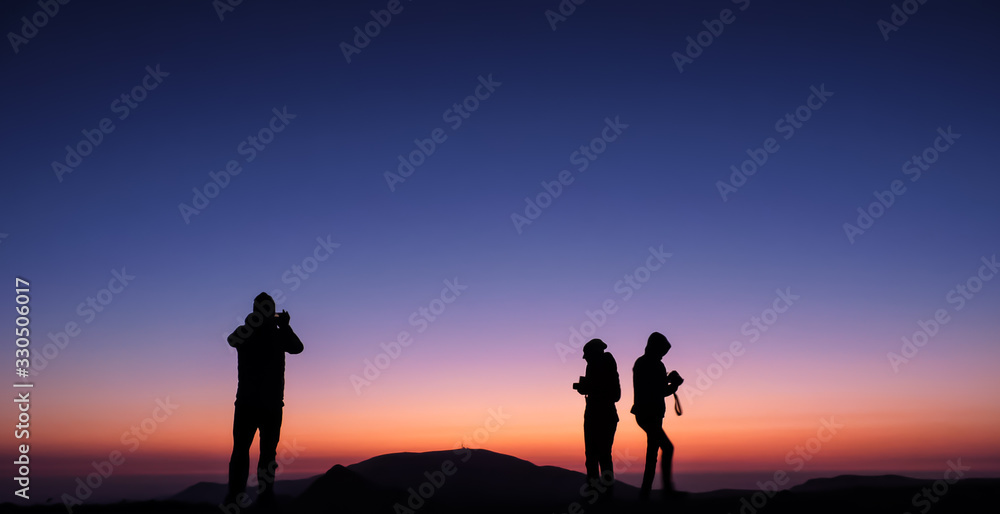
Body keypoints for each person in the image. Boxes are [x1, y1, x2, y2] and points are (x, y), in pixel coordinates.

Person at [224, 292, 304, 508]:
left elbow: (232, 340)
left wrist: (256, 324)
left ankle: (238, 497)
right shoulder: (275, 335)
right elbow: (297, 347)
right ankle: (264, 497)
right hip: (269, 404)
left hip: (249, 403)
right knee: (264, 453)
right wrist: (284, 326)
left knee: (244, 451)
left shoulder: (253, 332)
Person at [631, 332, 684, 501]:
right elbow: (659, 391)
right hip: (650, 414)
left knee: (653, 452)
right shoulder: (653, 364)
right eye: (662, 352)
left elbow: (654, 387)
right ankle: (664, 491)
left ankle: (646, 493)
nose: (663, 355)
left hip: (645, 413)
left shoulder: (642, 363)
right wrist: (674, 385)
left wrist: (668, 381)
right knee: (666, 448)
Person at [574, 338, 621, 497]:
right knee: (596, 457)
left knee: (600, 456)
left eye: (587, 355)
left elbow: (613, 394)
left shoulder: (604, 363)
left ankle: (603, 495)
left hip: (601, 415)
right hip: (596, 414)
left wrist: (589, 388)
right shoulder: (596, 365)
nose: (585, 359)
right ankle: (601, 494)